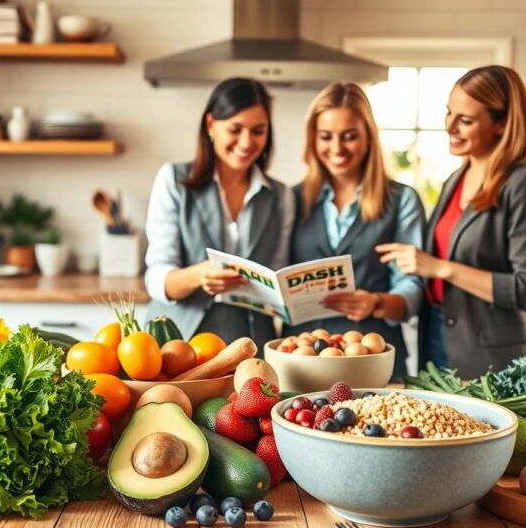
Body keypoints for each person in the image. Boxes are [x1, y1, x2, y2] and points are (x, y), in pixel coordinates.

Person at [377, 65, 526, 379]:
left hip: (490, 357)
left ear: (501, 124)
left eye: (466, 120)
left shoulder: (522, 183)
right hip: (436, 338)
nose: (450, 127)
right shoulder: (455, 179)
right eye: (449, 113)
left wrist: (441, 268)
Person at [286, 82, 425, 379]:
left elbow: (412, 291)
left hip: (374, 359)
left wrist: (376, 302)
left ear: (368, 139)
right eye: (326, 137)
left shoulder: (402, 200)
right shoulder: (291, 199)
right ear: (313, 140)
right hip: (301, 361)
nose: (337, 149)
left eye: (350, 137)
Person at [144, 78, 294, 349]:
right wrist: (199, 275)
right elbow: (156, 278)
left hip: (251, 343)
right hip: (176, 342)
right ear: (211, 125)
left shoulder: (281, 196)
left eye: (258, 130)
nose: (247, 142)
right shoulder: (173, 179)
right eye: (235, 129)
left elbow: (278, 274)